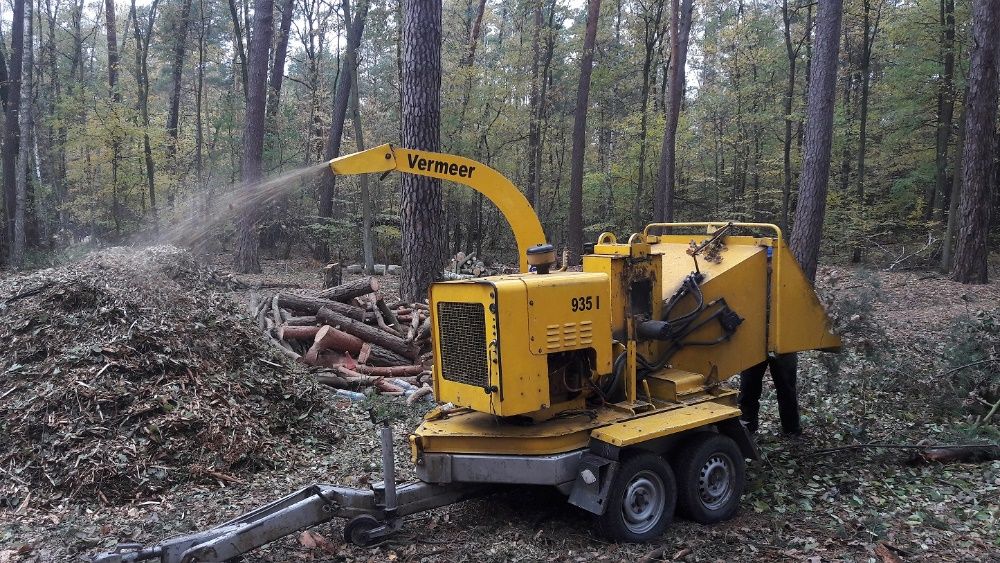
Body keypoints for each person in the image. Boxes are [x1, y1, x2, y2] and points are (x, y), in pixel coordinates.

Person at [738, 352, 801, 435]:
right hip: (753, 344)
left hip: (784, 343)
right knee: (748, 387)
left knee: (787, 389)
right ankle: (746, 429)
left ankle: (791, 430)